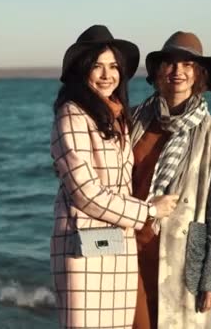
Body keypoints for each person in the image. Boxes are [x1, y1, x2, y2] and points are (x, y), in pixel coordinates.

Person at [50, 25, 178, 329]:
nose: (107, 75)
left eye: (114, 67)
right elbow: (86, 193)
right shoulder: (72, 114)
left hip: (115, 247)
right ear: (82, 71)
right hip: (83, 250)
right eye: (98, 66)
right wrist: (148, 210)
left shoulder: (116, 116)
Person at [131, 31, 211, 329]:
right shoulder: (133, 121)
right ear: (157, 72)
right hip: (126, 251)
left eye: (187, 64)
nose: (177, 71)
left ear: (198, 74)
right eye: (170, 63)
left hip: (179, 261)